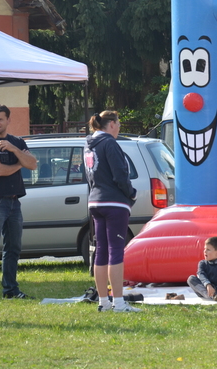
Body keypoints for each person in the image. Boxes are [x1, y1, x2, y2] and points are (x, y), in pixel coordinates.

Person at [0, 104, 37, 302]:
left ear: (8, 120)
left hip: (14, 202)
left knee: (13, 248)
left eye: (0, 119)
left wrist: (13, 149)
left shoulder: (16, 141)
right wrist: (20, 162)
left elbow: (33, 164)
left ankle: (11, 289)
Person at [84, 111, 141, 312]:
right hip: (114, 202)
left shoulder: (88, 144)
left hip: (95, 201)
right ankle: (119, 303)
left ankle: (104, 302)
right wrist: (131, 194)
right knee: (116, 251)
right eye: (119, 124)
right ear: (112, 124)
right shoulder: (110, 143)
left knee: (101, 251)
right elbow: (120, 175)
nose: (119, 129)